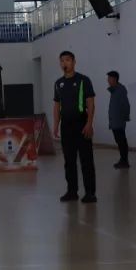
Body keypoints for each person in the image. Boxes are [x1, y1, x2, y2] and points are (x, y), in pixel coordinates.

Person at [52, 51, 96, 203]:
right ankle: (72, 191)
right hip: (66, 126)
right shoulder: (58, 83)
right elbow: (56, 106)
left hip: (81, 124)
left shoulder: (84, 80)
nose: (64, 63)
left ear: (74, 62)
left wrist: (89, 123)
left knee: (86, 160)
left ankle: (90, 193)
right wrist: (56, 125)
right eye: (62, 61)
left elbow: (91, 103)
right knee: (69, 161)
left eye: (67, 60)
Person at [106, 71, 131, 169]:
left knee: (121, 141)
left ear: (114, 79)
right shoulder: (114, 90)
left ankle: (124, 161)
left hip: (118, 121)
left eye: (109, 78)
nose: (107, 80)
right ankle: (123, 160)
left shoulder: (120, 90)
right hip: (115, 121)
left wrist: (125, 118)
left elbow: (126, 105)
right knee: (119, 141)